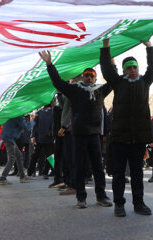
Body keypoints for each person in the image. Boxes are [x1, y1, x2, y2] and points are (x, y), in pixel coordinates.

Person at [39, 50, 113, 209]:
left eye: (91, 75)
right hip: (78, 134)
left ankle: (102, 196)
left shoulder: (100, 91)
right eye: (86, 75)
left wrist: (111, 63)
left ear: (95, 77)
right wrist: (49, 64)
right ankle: (81, 198)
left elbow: (113, 80)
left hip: (94, 135)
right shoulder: (75, 90)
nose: (89, 77)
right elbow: (58, 83)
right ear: (82, 77)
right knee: (79, 166)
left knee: (98, 167)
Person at [100, 38, 153, 217]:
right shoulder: (118, 82)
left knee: (137, 172)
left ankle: (139, 203)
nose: (132, 70)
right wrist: (106, 47)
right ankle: (119, 203)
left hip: (138, 137)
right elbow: (107, 69)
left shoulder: (145, 82)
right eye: (129, 67)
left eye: (135, 67)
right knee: (118, 173)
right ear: (124, 70)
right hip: (120, 136)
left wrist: (149, 46)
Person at [0, 116, 34, 185]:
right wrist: (32, 120)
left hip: (8, 138)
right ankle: (2, 178)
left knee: (19, 155)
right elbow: (27, 127)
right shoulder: (19, 117)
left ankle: (22, 177)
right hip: (9, 138)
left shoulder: (14, 114)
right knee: (12, 158)